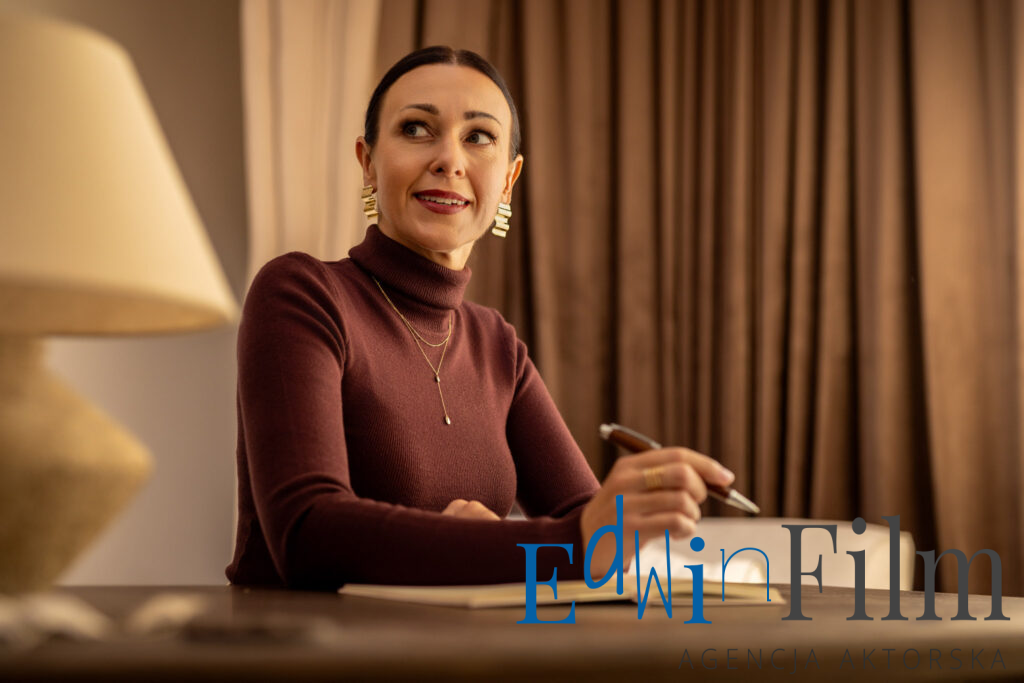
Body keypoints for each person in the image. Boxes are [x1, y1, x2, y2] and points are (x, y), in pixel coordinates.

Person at [226, 46, 734, 590]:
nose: (449, 160)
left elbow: (593, 531)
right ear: (368, 162)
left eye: (479, 136)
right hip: (308, 642)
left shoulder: (497, 344)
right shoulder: (302, 292)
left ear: (509, 180)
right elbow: (308, 533)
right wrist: (540, 543)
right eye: (416, 129)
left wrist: (581, 533)